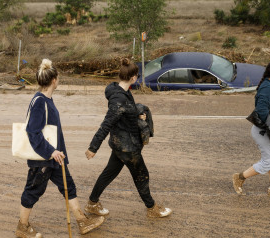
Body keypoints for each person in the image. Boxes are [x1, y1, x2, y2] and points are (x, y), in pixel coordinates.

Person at [16, 59, 104, 238]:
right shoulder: (40, 101)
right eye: (58, 77)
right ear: (54, 80)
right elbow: (32, 132)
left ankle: (82, 221)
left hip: (55, 158)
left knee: (68, 187)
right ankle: (22, 228)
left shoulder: (47, 99)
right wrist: (51, 151)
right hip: (44, 159)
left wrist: (57, 153)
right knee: (33, 191)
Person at [84, 58, 172, 218]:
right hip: (127, 147)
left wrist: (137, 115)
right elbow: (107, 124)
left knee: (109, 173)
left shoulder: (121, 92)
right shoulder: (118, 100)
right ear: (133, 78)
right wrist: (93, 147)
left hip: (121, 144)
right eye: (137, 76)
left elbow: (125, 112)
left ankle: (92, 203)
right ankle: (152, 208)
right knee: (141, 175)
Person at [232, 60, 270, 196]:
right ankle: (239, 178)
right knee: (268, 162)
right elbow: (261, 109)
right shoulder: (267, 87)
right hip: (265, 131)